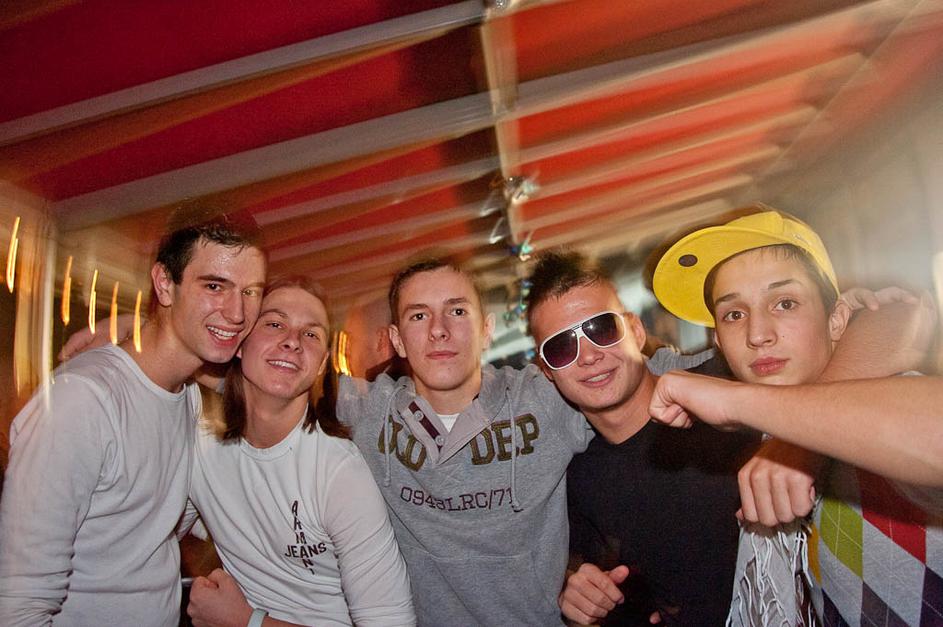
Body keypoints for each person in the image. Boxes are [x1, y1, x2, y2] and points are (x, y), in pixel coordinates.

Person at [649, 209, 943, 625]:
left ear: (837, 319)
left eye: (784, 303)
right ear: (718, 341)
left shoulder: (883, 414)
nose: (757, 334)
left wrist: (739, 402)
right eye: (734, 314)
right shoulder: (763, 442)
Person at [0, 219, 267, 626]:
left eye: (251, 292)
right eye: (215, 286)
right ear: (164, 284)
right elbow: (19, 606)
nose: (237, 312)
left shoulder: (189, 398)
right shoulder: (82, 401)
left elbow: (151, 532)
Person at [525, 251, 759, 626]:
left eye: (601, 328)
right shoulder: (578, 482)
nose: (588, 356)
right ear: (548, 371)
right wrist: (577, 590)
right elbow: (593, 576)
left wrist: (792, 446)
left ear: (634, 330)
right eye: (562, 347)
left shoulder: (725, 386)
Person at [181, 276, 415, 627]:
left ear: (321, 363)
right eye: (275, 324)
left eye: (311, 334)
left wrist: (246, 622)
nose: (292, 341)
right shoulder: (201, 447)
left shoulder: (339, 474)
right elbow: (149, 536)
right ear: (241, 344)